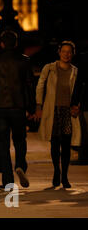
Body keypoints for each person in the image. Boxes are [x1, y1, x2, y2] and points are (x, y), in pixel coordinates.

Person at [0, 31, 35, 190]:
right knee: (20, 140)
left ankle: (7, 180)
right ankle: (20, 165)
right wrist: (31, 107)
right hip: (18, 107)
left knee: (2, 145)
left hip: (0, 108)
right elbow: (29, 86)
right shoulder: (24, 61)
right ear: (15, 43)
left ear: (1, 44)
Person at [35, 41, 81, 188]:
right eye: (64, 51)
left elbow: (79, 91)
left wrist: (77, 106)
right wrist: (38, 105)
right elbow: (40, 86)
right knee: (54, 143)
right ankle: (56, 172)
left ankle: (65, 176)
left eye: (69, 52)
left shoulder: (75, 71)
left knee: (66, 144)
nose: (66, 54)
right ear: (59, 52)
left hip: (68, 111)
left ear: (73, 54)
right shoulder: (49, 68)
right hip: (52, 110)